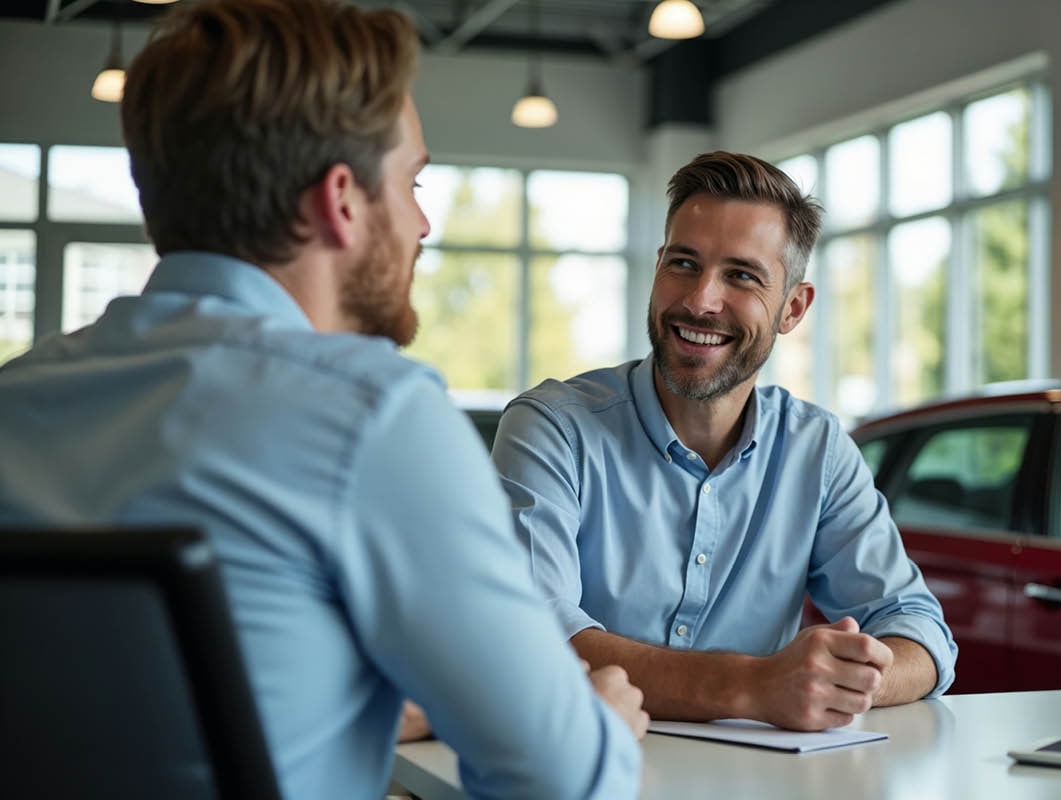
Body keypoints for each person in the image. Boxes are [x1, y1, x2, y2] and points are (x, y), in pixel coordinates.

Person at [0, 1, 647, 798]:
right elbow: (558, 785)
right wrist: (604, 728)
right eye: (413, 182)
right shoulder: (372, 417)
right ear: (341, 201)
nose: (422, 222)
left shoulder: (15, 402)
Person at [491, 151, 958, 732]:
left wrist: (842, 683)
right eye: (684, 263)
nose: (700, 300)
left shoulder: (817, 450)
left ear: (793, 307)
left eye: (741, 275)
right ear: (658, 266)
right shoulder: (552, 428)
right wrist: (755, 687)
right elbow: (533, 636)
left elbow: (919, 629)